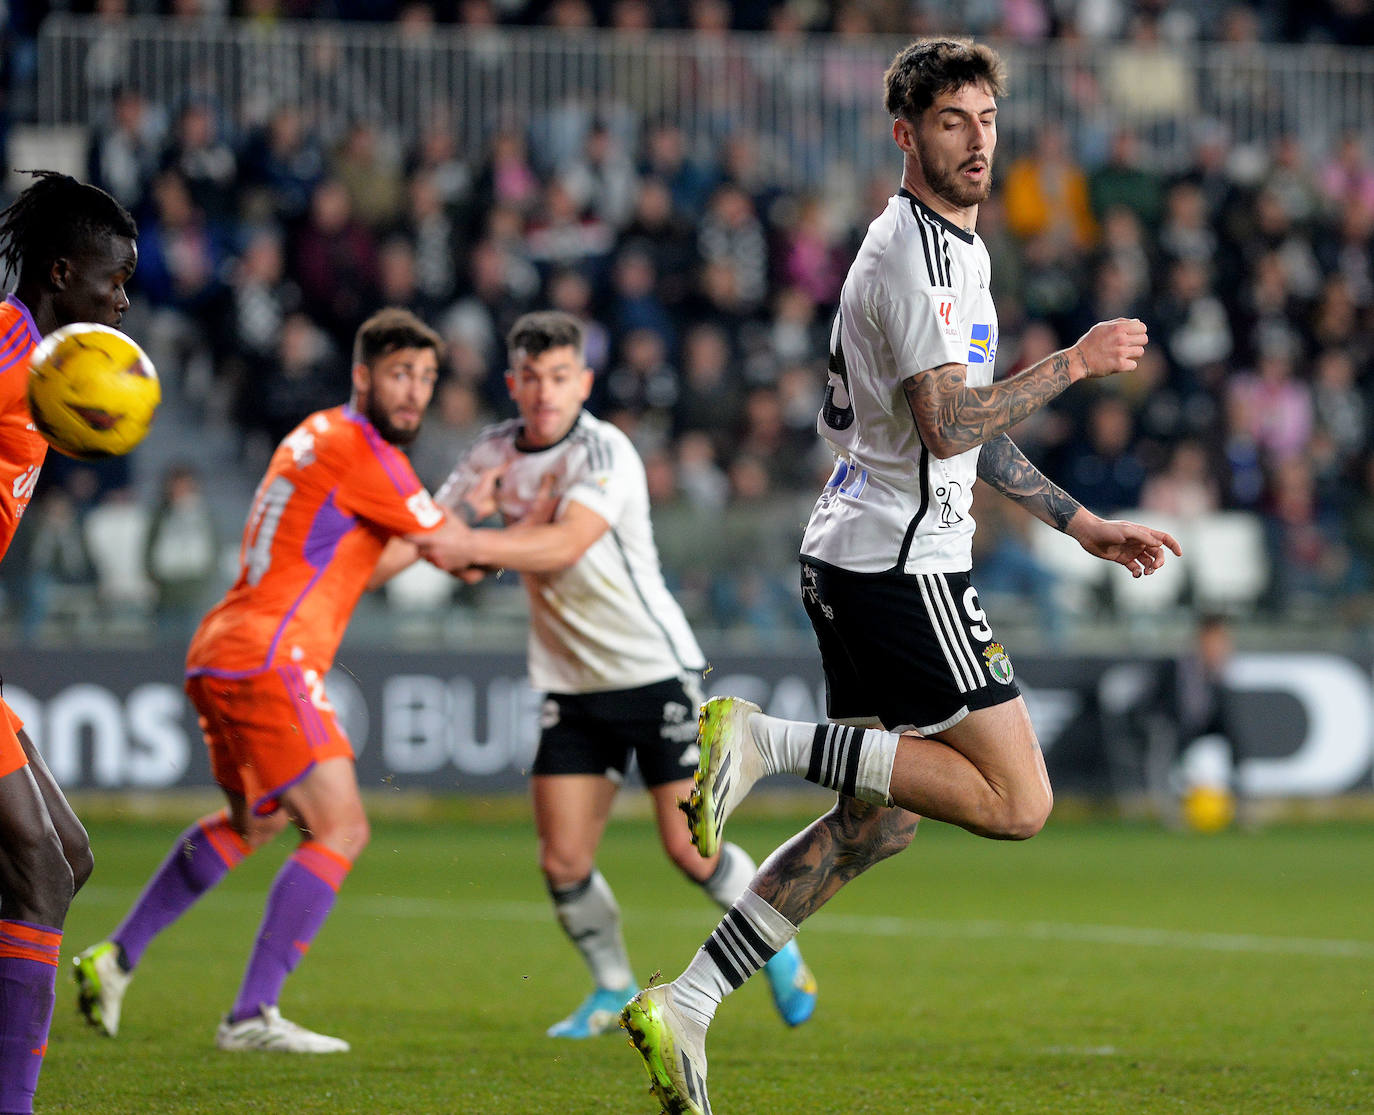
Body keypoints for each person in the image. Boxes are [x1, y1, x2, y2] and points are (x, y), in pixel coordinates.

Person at [620, 38, 1182, 1115]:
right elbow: (944, 419)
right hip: (898, 564)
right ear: (905, 135)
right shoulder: (918, 256)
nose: (976, 141)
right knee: (1020, 802)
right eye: (951, 123)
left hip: (856, 552)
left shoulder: (952, 250)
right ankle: (766, 738)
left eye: (985, 119)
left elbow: (972, 436)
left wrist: (1077, 522)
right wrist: (1075, 360)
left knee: (877, 820)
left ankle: (686, 1000)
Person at [369, 310, 818, 1039]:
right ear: (512, 383)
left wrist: (471, 541)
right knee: (563, 856)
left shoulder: (605, 452)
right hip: (569, 684)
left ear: (582, 381)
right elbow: (428, 537)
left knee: (689, 848)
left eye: (560, 377)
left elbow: (566, 542)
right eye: (532, 378)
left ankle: (778, 939)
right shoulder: (490, 454)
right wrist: (342, 576)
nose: (545, 391)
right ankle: (611, 987)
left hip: (653, 671)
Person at [73, 308, 479, 1053]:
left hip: (220, 649)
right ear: (362, 376)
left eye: (426, 376)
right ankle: (251, 1015)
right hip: (271, 657)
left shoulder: (315, 437)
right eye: (400, 374)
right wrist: (500, 535)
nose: (416, 391)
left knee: (254, 821)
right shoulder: (368, 453)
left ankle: (118, 955)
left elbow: (362, 561)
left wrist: (443, 542)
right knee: (341, 826)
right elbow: (455, 548)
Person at [0, 170, 138, 1115]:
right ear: (62, 272)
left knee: (69, 857)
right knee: (39, 869)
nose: (123, 300)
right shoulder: (6, 352)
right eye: (113, 280)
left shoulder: (48, 370)